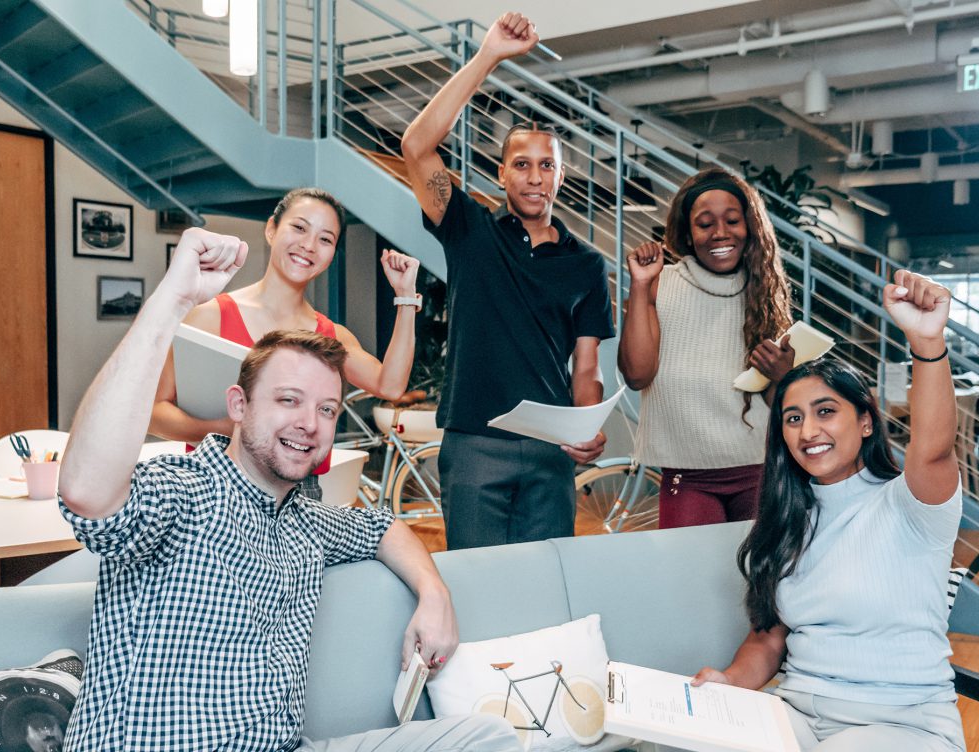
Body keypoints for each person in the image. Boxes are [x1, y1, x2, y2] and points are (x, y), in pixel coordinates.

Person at [57, 228, 521, 752]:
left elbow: (382, 526)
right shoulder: (184, 492)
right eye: (288, 400)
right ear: (239, 405)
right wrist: (172, 302)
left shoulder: (306, 520)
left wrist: (435, 595)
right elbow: (86, 492)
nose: (310, 424)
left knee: (489, 736)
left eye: (326, 409)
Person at [690, 270, 965, 751]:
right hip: (796, 713)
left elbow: (935, 448)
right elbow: (767, 638)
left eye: (825, 411)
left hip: (903, 723)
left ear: (865, 422)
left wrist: (927, 342)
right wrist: (729, 682)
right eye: (793, 418)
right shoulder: (786, 519)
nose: (808, 431)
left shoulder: (911, 503)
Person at [401, 12, 615, 550]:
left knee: (546, 583)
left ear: (561, 176)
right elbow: (416, 146)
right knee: (477, 585)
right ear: (501, 174)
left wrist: (585, 428)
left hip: (550, 451)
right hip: (475, 443)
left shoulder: (587, 264)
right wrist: (489, 55)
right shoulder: (469, 230)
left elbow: (586, 365)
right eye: (521, 164)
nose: (534, 177)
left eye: (547, 166)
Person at [150, 187, 421, 501]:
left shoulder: (331, 335)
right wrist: (228, 428)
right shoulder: (209, 317)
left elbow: (390, 386)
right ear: (271, 229)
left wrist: (405, 297)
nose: (309, 245)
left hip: (300, 494)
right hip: (217, 488)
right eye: (299, 227)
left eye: (325, 239)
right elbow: (154, 413)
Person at [618, 166, 794, 528]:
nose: (720, 233)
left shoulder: (766, 292)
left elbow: (782, 404)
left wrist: (783, 377)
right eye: (705, 223)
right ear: (687, 232)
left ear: (750, 227)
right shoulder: (658, 285)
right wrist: (639, 286)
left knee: (761, 568)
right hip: (688, 476)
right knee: (690, 568)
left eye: (733, 220)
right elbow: (636, 375)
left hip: (760, 470)